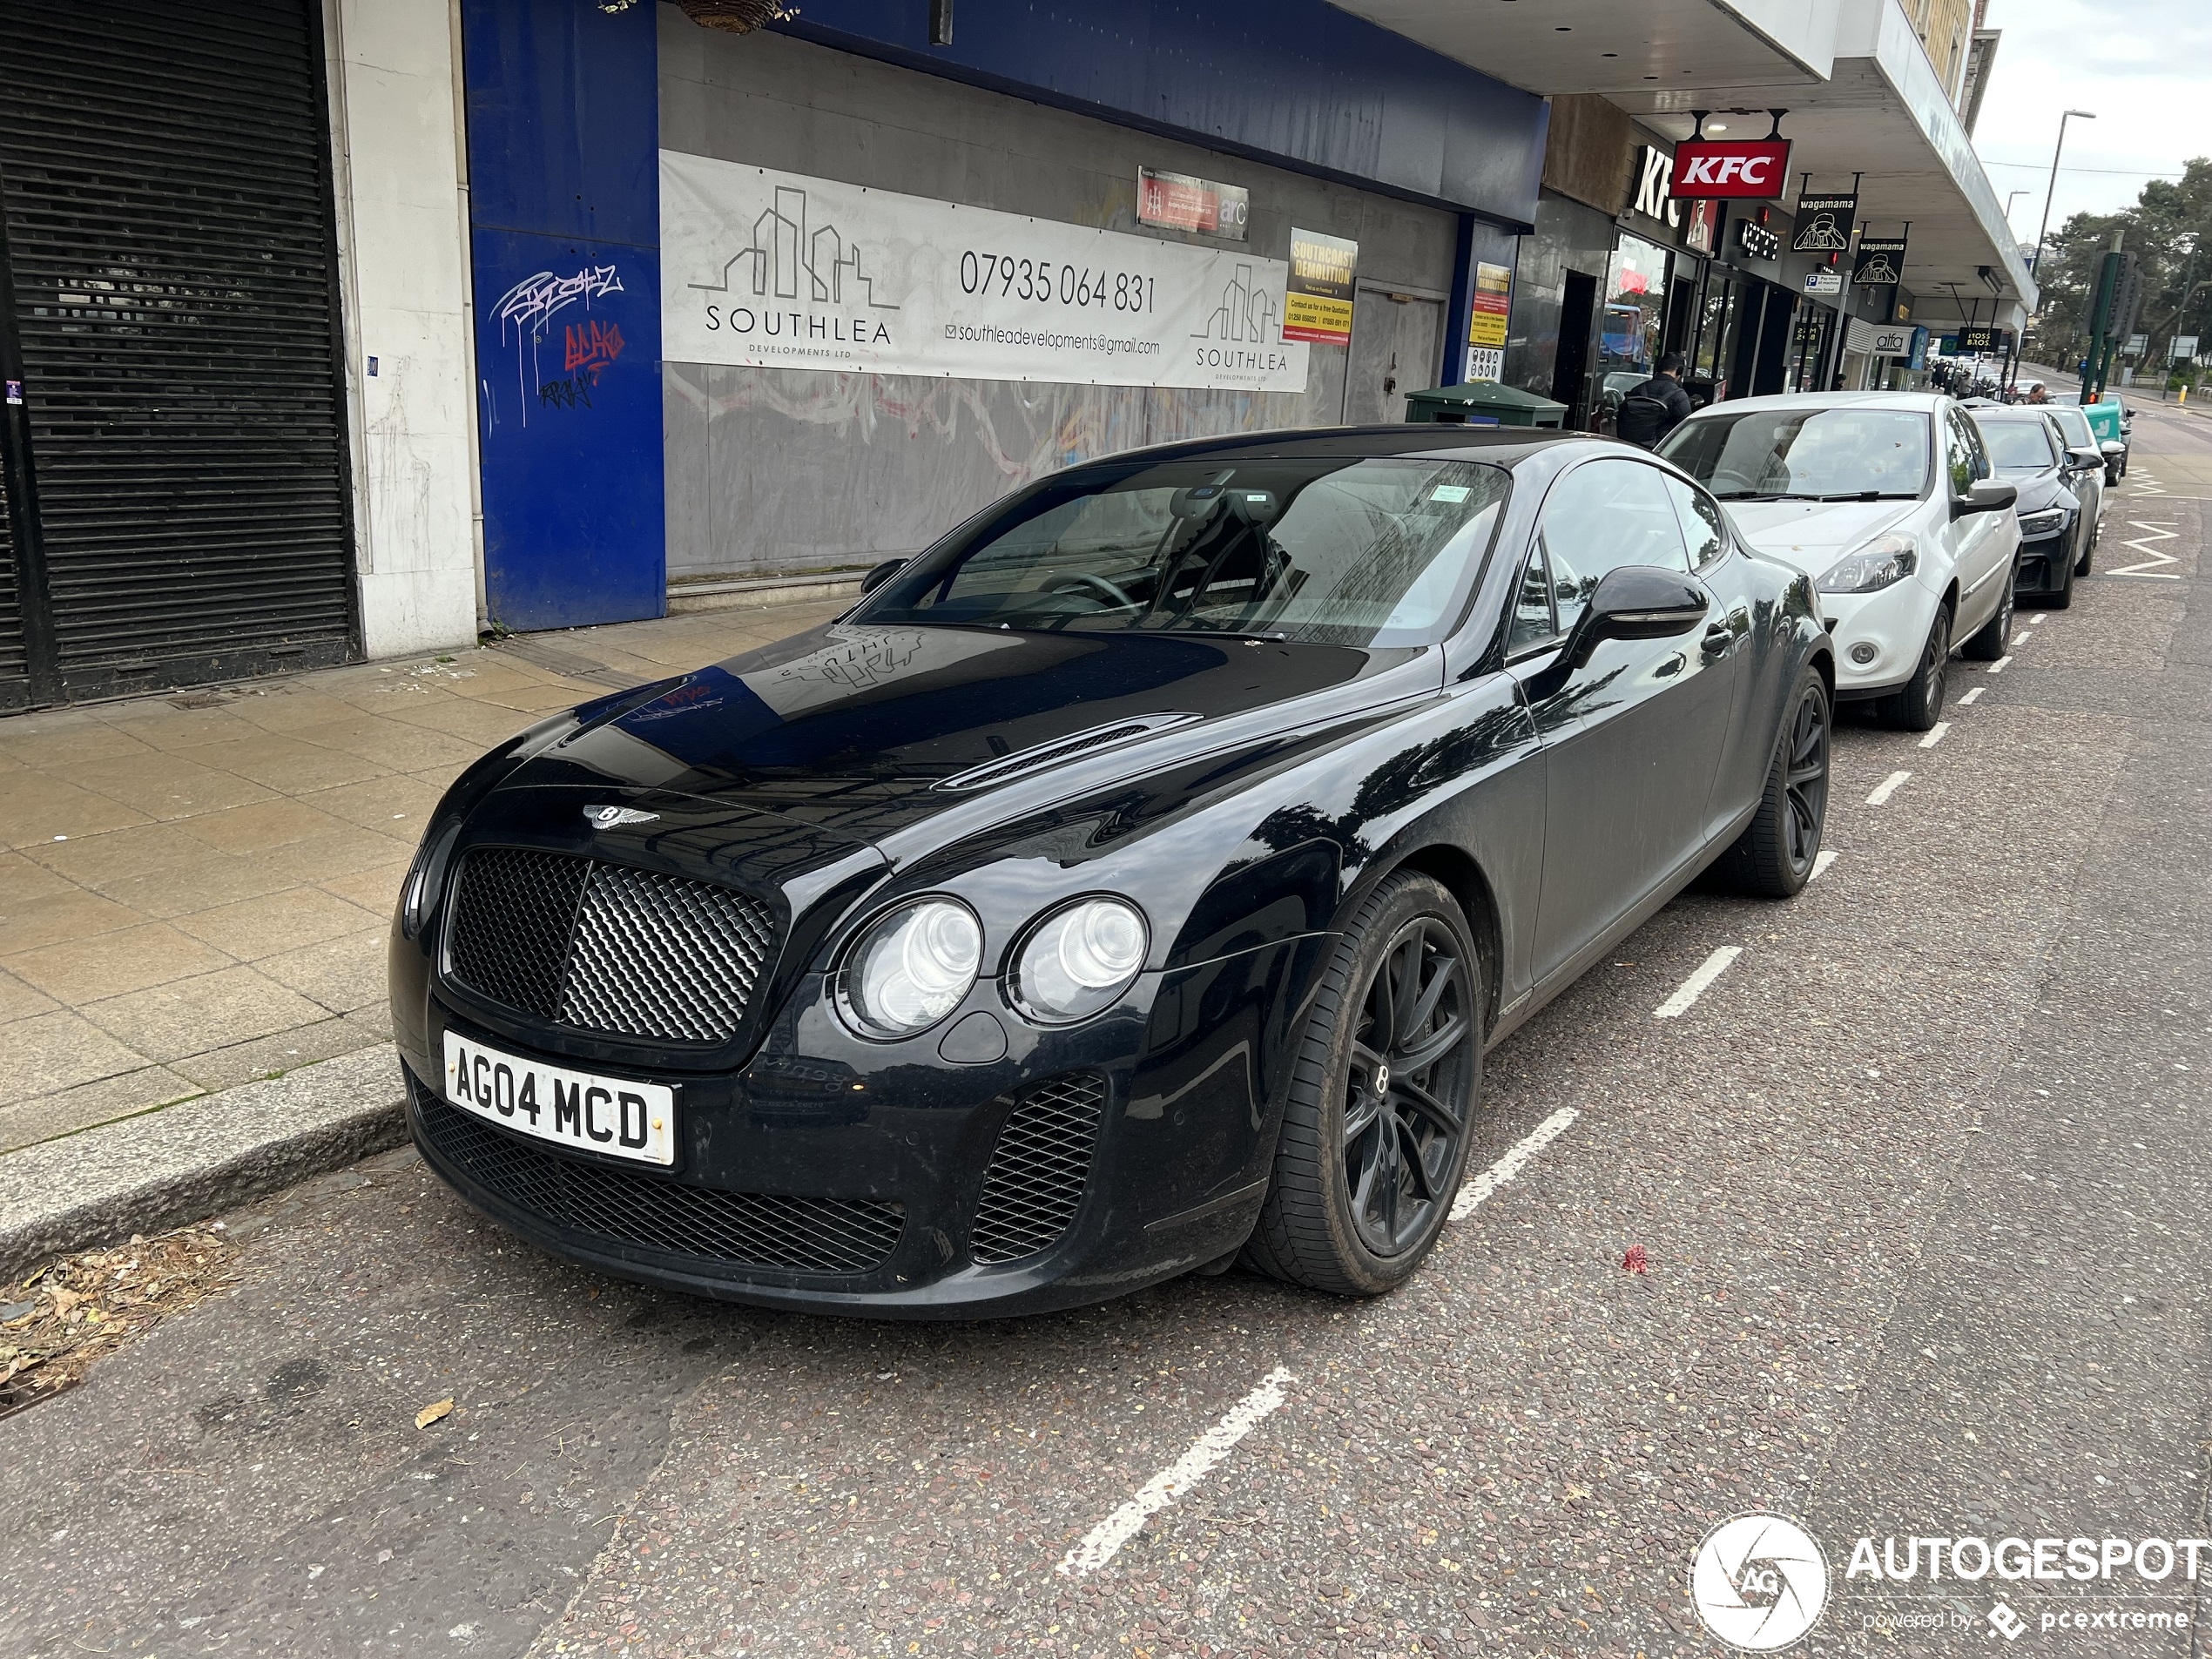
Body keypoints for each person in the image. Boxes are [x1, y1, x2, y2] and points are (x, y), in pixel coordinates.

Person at [1615, 352, 1693, 449]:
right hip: (1658, 453)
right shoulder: (1678, 395)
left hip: (1629, 449)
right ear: (1679, 371)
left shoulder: (1638, 390)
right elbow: (1687, 429)